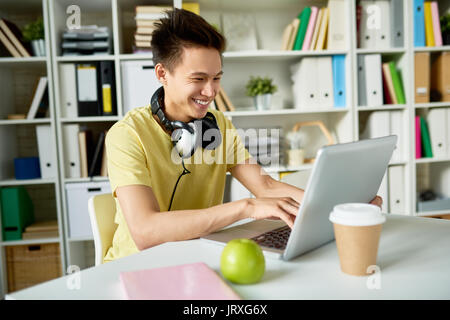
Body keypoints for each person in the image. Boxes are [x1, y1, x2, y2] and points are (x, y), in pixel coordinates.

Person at [103, 9, 382, 263]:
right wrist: (246, 207)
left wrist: (340, 206)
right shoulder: (127, 136)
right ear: (162, 74)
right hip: (135, 267)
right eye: (198, 79)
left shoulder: (217, 125)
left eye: (216, 78)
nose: (211, 92)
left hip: (196, 257)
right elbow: (146, 232)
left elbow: (266, 187)